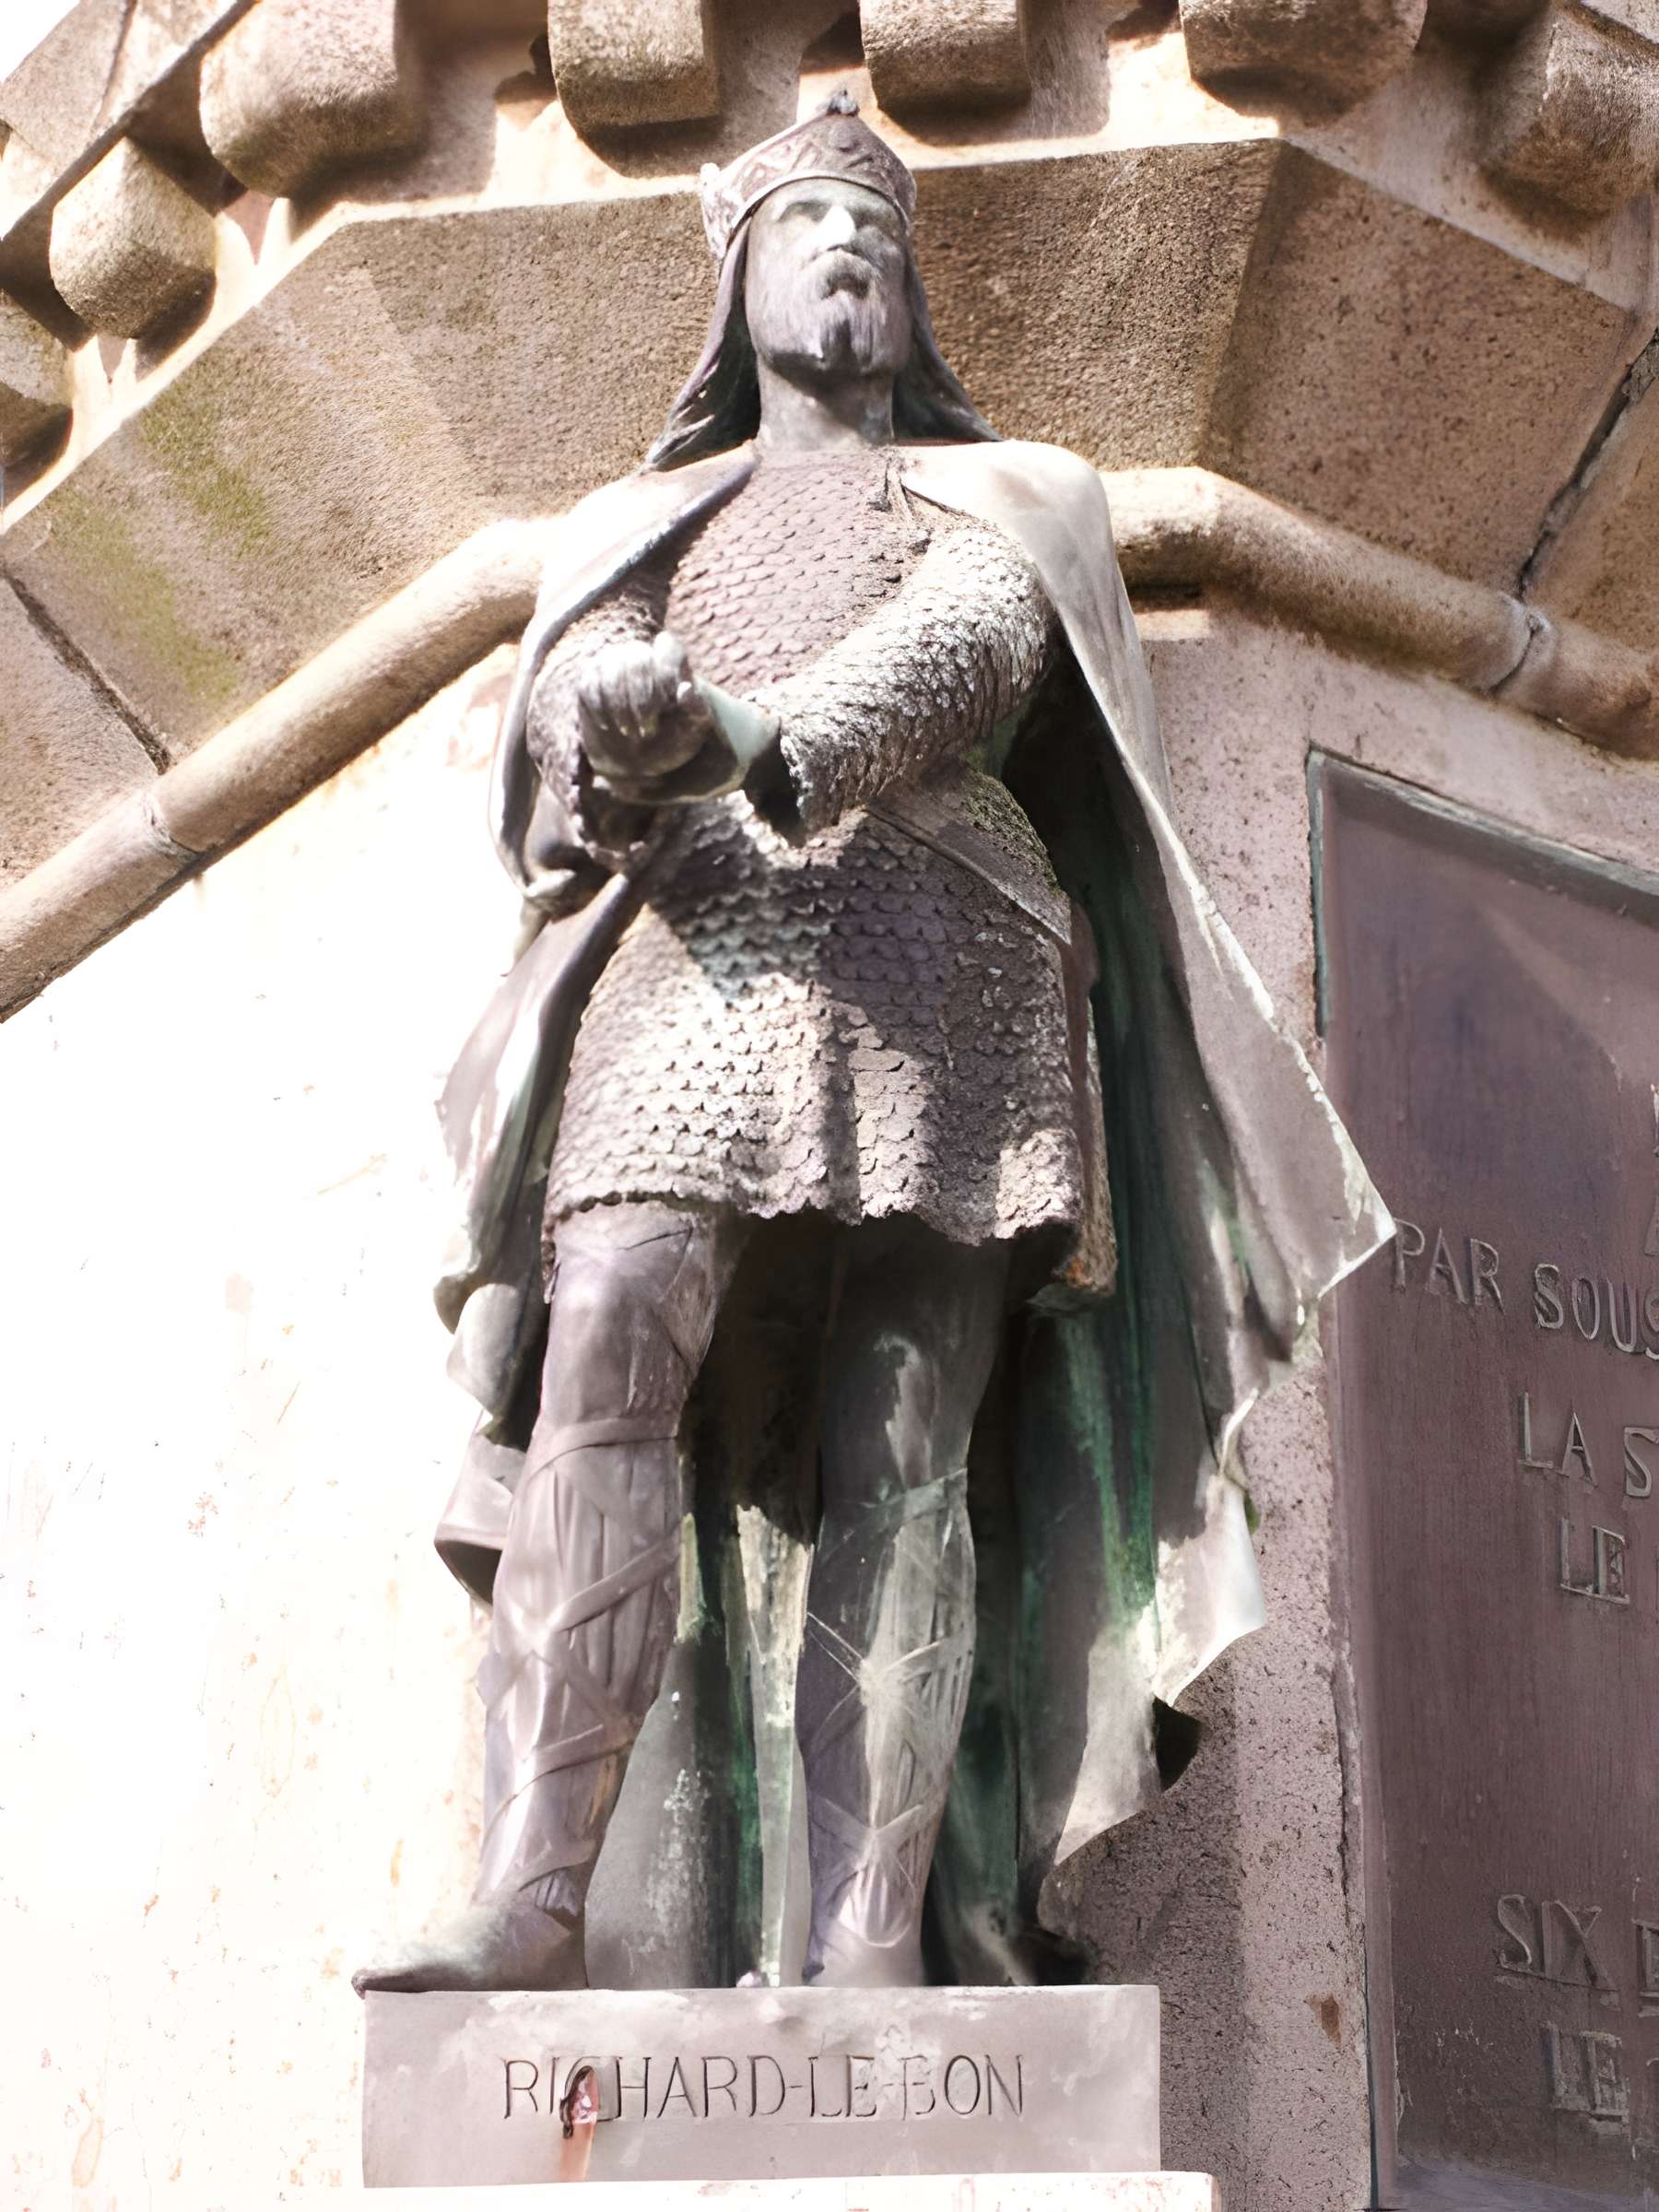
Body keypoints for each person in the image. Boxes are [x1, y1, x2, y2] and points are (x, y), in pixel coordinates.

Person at [354, 97, 1389, 1997]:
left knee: (905, 1436)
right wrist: (610, 702)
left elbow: (973, 653)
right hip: (699, 949)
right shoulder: (634, 524)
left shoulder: (1024, 497)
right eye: (811, 227)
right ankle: (536, 1891)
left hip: (954, 959)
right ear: (737, 284)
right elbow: (563, 731)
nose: (850, 257)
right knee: (609, 1342)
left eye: (877, 236)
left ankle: (864, 1943)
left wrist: (745, 731)